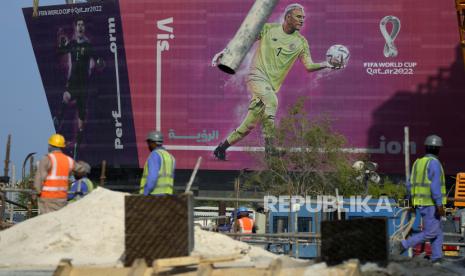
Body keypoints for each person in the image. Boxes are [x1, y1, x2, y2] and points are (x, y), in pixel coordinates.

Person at [212, 3, 341, 160]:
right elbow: (244, 38)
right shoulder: (268, 29)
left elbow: (309, 66)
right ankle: (270, 149)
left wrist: (327, 64)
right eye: (298, 17)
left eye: (303, 18)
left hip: (270, 87)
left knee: (248, 126)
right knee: (272, 101)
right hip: (256, 77)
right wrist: (225, 53)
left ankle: (221, 148)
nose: (302, 20)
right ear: (288, 17)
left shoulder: (301, 42)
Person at [54, 18, 104, 159]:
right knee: (66, 97)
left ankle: (78, 143)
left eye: (83, 25)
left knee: (81, 116)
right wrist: (61, 43)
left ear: (84, 28)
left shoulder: (88, 45)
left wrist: (100, 62)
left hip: (84, 85)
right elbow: (61, 50)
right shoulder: (72, 43)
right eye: (79, 25)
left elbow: (98, 60)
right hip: (73, 83)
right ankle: (58, 122)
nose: (81, 27)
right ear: (75, 28)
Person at [393, 134, 446, 263]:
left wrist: (411, 200)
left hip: (421, 204)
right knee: (431, 232)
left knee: (437, 232)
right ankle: (403, 245)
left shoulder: (418, 162)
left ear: (426, 148)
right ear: (438, 149)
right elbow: (435, 187)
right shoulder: (434, 163)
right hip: (431, 204)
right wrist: (439, 206)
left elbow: (409, 184)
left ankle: (436, 258)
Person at [33, 134, 81, 214]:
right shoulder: (68, 160)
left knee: (46, 221)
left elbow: (38, 180)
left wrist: (37, 192)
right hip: (61, 200)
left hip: (47, 199)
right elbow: (80, 169)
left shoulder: (47, 159)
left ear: (50, 146)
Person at [139, 130, 176, 195]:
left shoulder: (155, 155)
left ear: (153, 142)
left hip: (154, 196)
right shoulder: (170, 157)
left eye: (148, 143)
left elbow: (152, 178)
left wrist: (145, 193)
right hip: (168, 197)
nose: (148, 145)